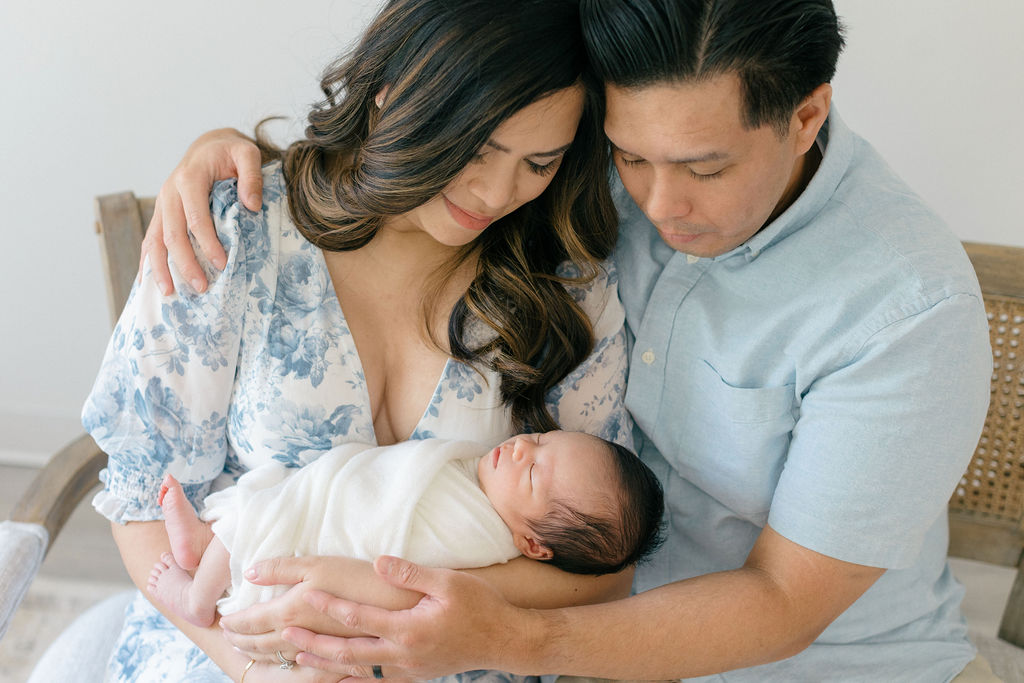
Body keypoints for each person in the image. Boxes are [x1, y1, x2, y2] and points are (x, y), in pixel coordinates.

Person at [147, 0, 997, 681]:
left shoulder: (907, 311)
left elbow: (782, 605)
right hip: (574, 630)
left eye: (704, 170)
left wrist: (510, 639)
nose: (660, 209)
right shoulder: (559, 185)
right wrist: (227, 153)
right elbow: (470, 96)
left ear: (808, 115)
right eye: (628, 157)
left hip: (817, 662)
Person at [83, 1, 639, 681]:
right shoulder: (243, 229)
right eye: (479, 146)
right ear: (392, 92)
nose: (496, 191)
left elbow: (603, 570)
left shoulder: (567, 286)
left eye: (539, 161)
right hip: (230, 642)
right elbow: (143, 498)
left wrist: (384, 600)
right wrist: (253, 667)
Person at [149, 431, 665, 629]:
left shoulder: (475, 534)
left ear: (532, 544)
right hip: (321, 497)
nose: (524, 448)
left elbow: (390, 558)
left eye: (532, 473)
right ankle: (205, 546)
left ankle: (199, 596)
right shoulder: (478, 478)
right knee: (282, 499)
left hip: (324, 556)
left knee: (274, 526)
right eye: (542, 437)